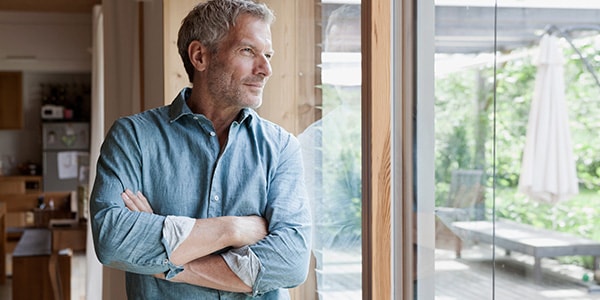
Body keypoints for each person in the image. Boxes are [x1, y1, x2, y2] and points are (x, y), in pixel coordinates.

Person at [89, 0, 312, 299]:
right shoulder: (133, 137)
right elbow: (112, 239)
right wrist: (231, 230)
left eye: (268, 55)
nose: (266, 69)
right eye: (248, 51)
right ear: (200, 56)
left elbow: (291, 263)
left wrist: (169, 264)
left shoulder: (282, 147)